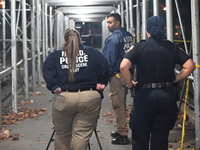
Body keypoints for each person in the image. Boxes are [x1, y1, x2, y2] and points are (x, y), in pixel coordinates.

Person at [120, 16, 196, 150]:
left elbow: (123, 67)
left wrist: (131, 84)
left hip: (144, 96)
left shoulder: (139, 47)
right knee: (160, 138)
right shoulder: (172, 47)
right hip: (166, 96)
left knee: (140, 137)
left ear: (147, 30)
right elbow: (190, 65)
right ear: (164, 29)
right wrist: (177, 78)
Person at [43, 28, 110, 150]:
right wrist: (101, 82)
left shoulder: (55, 56)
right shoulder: (93, 53)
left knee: (62, 134)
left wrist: (54, 86)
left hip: (64, 97)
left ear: (64, 40)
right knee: (81, 134)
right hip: (89, 97)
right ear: (80, 39)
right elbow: (105, 66)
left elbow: (47, 70)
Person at [102, 13, 134, 145]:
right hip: (129, 73)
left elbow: (109, 60)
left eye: (110, 22)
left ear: (118, 23)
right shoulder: (128, 36)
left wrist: (104, 77)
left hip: (117, 75)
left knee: (118, 104)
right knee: (123, 102)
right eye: (107, 22)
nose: (108, 25)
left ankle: (123, 134)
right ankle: (121, 129)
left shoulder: (113, 39)